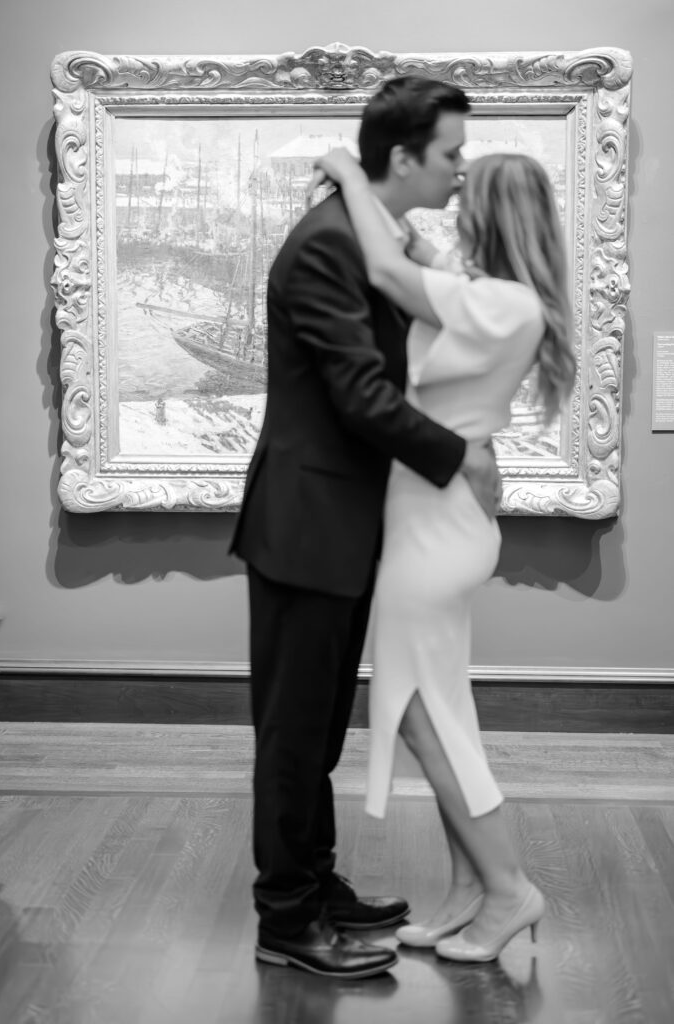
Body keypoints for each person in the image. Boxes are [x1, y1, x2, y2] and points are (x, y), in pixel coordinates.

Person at [229, 76, 501, 979]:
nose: (461, 171)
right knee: (294, 732)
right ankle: (284, 920)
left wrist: (345, 170)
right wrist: (459, 455)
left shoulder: (365, 233)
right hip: (306, 525)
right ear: (403, 158)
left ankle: (315, 883)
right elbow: (359, 394)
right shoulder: (325, 247)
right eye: (451, 154)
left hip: (341, 528)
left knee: (319, 728)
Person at [312, 144, 576, 963]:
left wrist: (354, 178)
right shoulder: (492, 297)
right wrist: (388, 212)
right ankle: (470, 890)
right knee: (440, 711)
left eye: (467, 192)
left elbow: (393, 274)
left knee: (418, 716)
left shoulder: (501, 304)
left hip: (435, 532)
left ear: (492, 214)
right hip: (437, 523)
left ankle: (507, 891)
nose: (452, 201)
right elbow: (417, 260)